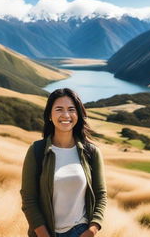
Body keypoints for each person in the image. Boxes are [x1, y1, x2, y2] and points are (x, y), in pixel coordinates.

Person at [20, 88, 107, 237]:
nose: (66, 115)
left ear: (78, 115)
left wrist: (92, 230)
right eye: (59, 109)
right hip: (45, 233)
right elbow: (29, 199)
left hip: (80, 232)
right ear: (49, 115)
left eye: (71, 109)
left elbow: (101, 195)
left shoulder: (91, 152)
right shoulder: (37, 151)